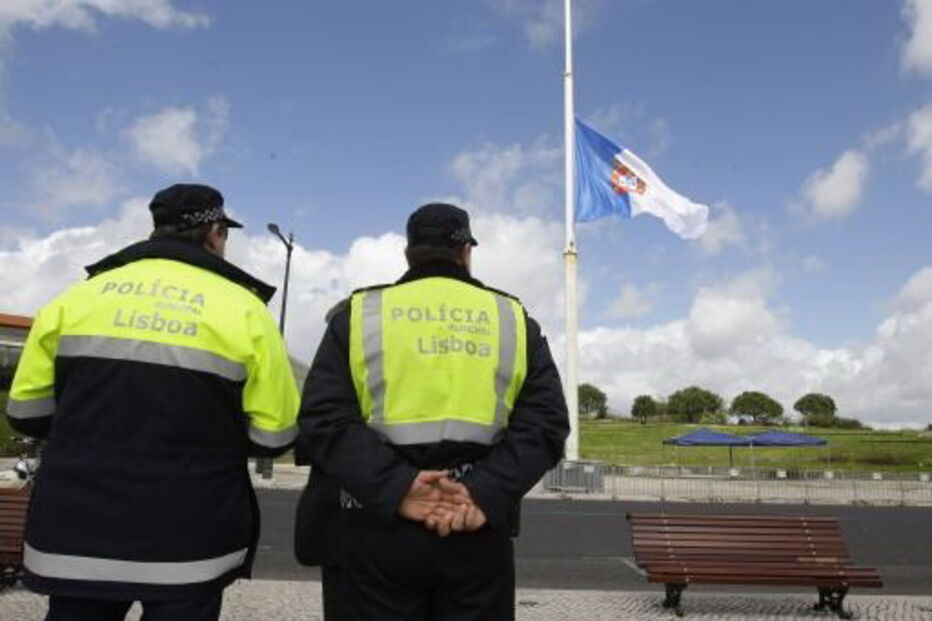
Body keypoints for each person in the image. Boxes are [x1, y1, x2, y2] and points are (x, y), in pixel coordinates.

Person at [4, 183, 299, 620]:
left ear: (157, 226)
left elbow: (25, 414)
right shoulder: (246, 310)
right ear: (215, 232)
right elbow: (275, 436)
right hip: (190, 540)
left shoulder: (74, 299)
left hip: (77, 532)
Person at [297, 202, 569, 620]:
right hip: (474, 526)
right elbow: (546, 423)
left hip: (373, 525)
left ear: (409, 253)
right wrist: (483, 492)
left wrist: (397, 487)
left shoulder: (359, 315)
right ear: (466, 252)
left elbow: (324, 419)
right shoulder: (512, 319)